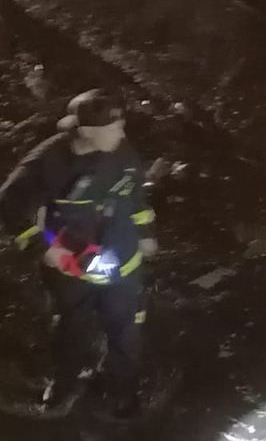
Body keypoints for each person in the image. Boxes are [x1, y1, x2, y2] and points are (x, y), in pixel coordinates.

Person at [0, 89, 157, 417]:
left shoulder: (121, 151)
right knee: (73, 325)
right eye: (113, 127)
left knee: (125, 325)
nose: (122, 133)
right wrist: (44, 248)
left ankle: (122, 389)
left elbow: (136, 196)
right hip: (71, 260)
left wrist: (145, 234)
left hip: (122, 254)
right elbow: (10, 205)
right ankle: (64, 382)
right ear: (85, 131)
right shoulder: (48, 161)